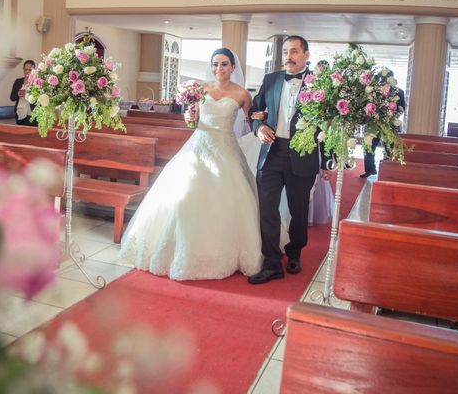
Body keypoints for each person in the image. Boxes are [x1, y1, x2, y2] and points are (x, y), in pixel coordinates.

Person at [118, 48, 262, 281]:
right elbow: (191, 120)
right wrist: (190, 116)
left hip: (225, 147)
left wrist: (262, 125)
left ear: (233, 67)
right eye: (215, 64)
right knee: (184, 196)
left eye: (224, 64)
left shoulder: (242, 94)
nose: (219, 69)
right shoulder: (199, 89)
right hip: (198, 145)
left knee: (232, 196)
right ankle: (177, 250)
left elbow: (251, 121)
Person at [248, 35, 331, 284]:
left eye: (294, 51)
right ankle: (272, 262)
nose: (288, 56)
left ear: (306, 55)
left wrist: (327, 160)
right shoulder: (271, 79)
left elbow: (329, 126)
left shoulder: (321, 85)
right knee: (268, 209)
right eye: (285, 51)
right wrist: (259, 127)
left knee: (298, 210)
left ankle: (294, 252)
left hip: (303, 155)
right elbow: (255, 112)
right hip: (271, 153)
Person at [361, 81, 407, 178]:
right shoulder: (375, 90)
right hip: (374, 123)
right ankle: (370, 169)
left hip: (389, 124)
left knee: (389, 148)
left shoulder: (399, 92)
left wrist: (390, 116)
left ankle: (388, 171)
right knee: (368, 146)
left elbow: (402, 108)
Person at [10, 59, 37, 126]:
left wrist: (30, 95)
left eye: (30, 70)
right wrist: (18, 94)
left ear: (34, 70)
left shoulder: (37, 82)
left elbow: (40, 99)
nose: (27, 72)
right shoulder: (18, 81)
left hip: (33, 114)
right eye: (25, 69)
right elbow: (12, 97)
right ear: (23, 69)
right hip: (20, 113)